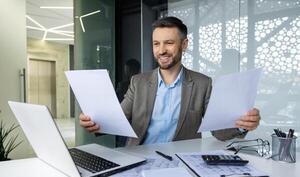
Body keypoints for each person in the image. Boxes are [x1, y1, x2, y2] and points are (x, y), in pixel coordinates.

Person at [80, 16, 261, 146]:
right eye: (156, 44)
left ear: (184, 45)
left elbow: (220, 132)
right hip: (140, 158)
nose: (161, 50)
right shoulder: (138, 82)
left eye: (169, 43)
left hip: (182, 161)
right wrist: (97, 123)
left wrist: (241, 125)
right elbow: (118, 119)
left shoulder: (202, 83)